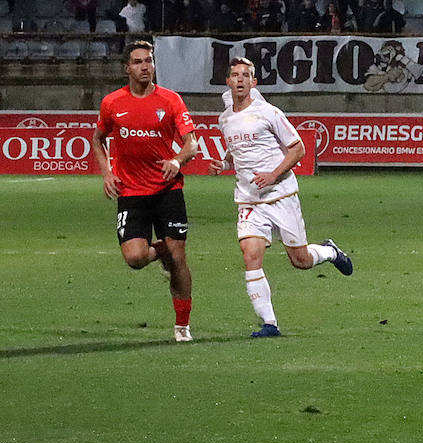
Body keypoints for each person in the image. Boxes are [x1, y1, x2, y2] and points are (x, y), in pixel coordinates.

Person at [209, 58, 353, 338]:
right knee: (250, 255)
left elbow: (298, 149)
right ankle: (270, 324)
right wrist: (225, 165)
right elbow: (236, 152)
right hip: (249, 199)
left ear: (254, 82)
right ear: (228, 82)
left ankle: (330, 251)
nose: (240, 80)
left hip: (280, 193)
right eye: (235, 75)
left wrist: (274, 174)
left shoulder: (268, 112)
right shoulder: (225, 118)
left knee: (299, 260)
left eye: (246, 75)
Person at [91, 42, 199, 342]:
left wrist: (177, 161)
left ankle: (182, 326)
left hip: (168, 191)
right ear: (127, 67)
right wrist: (107, 173)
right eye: (137, 62)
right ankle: (161, 249)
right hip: (131, 192)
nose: (144, 67)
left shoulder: (171, 100)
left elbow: (192, 143)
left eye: (148, 61)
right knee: (136, 258)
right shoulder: (112, 103)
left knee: (179, 259)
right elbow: (97, 138)